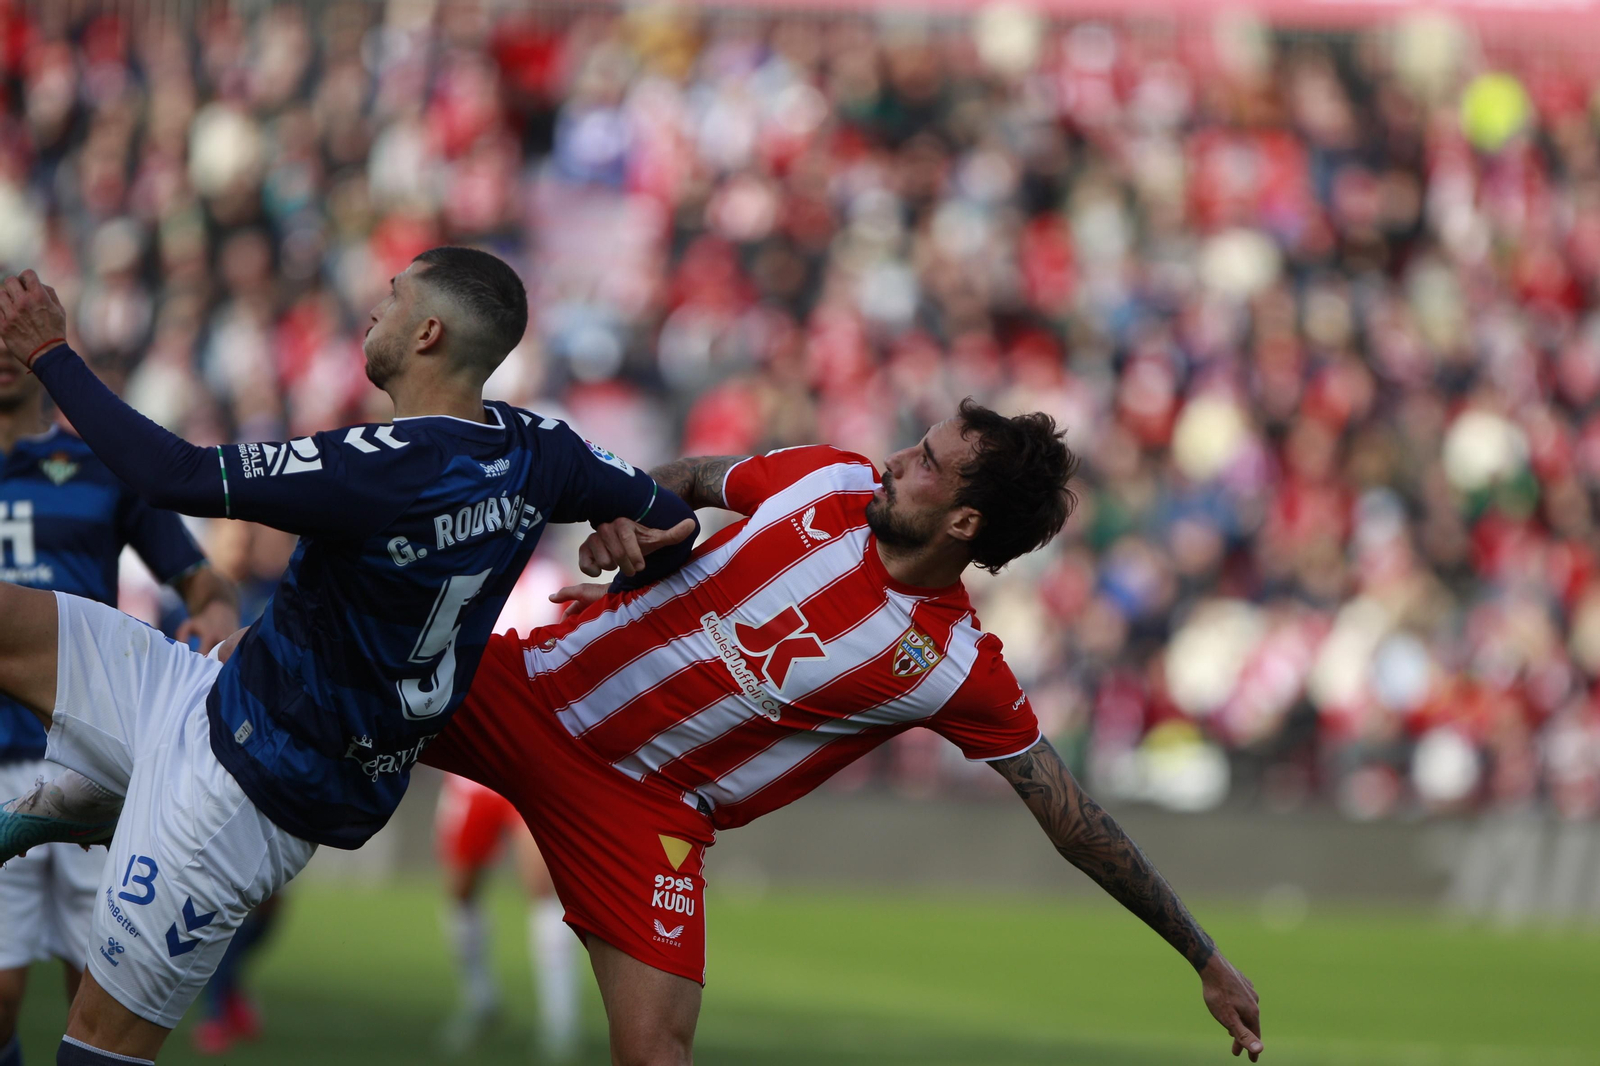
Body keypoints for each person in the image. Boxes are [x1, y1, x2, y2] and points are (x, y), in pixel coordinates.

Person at [0, 253, 696, 1065]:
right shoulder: (542, 449)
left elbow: (171, 474)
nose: (375, 310)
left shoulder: (380, 466)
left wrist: (51, 352)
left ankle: (121, 794)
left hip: (235, 796)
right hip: (217, 693)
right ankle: (111, 790)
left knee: (94, 1051)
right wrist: (626, 556)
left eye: (393, 297)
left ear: (428, 333)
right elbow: (675, 519)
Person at [418, 405, 1266, 1065]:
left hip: (644, 814)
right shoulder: (826, 479)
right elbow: (684, 479)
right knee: (332, 689)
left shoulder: (954, 664)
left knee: (656, 1054)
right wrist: (638, 524)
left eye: (927, 461)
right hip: (532, 689)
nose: (897, 460)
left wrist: (1203, 955)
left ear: (964, 525)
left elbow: (1073, 819)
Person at [0, 346, 238, 1066]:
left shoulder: (99, 468)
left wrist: (215, 615)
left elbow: (204, 585)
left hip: (97, 764)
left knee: (96, 999)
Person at [434, 773, 577, 1060]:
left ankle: (560, 1021)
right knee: (460, 892)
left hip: (527, 773)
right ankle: (480, 1000)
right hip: (471, 775)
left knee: (543, 889)